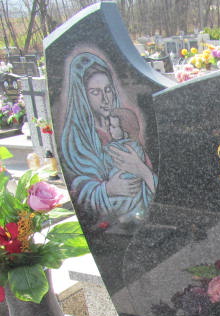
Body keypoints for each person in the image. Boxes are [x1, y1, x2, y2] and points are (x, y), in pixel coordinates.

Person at [60, 52, 156, 225]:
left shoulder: (124, 127)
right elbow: (79, 190)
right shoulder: (78, 141)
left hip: (140, 211)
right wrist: (108, 189)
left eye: (108, 90)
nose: (105, 99)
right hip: (110, 223)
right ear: (82, 96)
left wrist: (140, 169)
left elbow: (147, 172)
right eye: (95, 92)